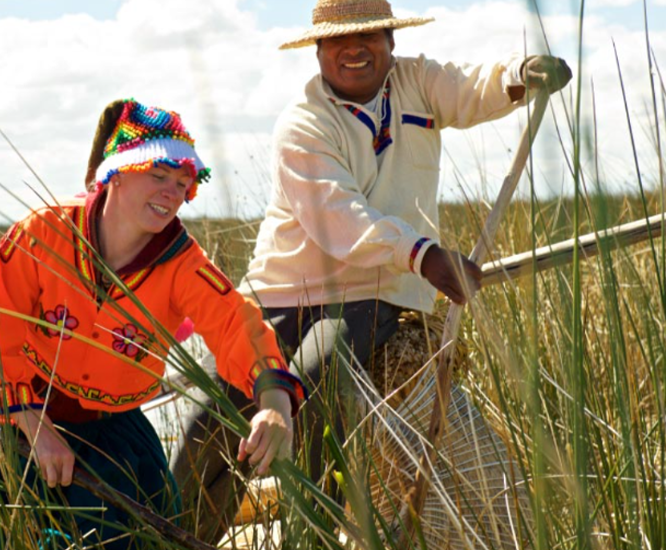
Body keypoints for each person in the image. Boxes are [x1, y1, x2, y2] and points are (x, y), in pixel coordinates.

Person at [171, 0, 572, 543]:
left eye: (367, 37)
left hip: (370, 294)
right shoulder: (303, 124)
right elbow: (341, 218)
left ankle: (311, 531)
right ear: (318, 52)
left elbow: (473, 86)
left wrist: (519, 76)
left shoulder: (418, 83)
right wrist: (426, 256)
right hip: (276, 294)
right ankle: (173, 536)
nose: (353, 50)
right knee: (204, 422)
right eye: (337, 41)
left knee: (319, 381)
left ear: (390, 41)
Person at [0, 99, 306, 550]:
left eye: (182, 184)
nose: (170, 193)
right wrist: (35, 428)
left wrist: (274, 403)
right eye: (158, 177)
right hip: (14, 408)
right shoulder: (44, 233)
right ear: (117, 173)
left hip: (111, 436)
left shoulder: (182, 265)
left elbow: (235, 325)